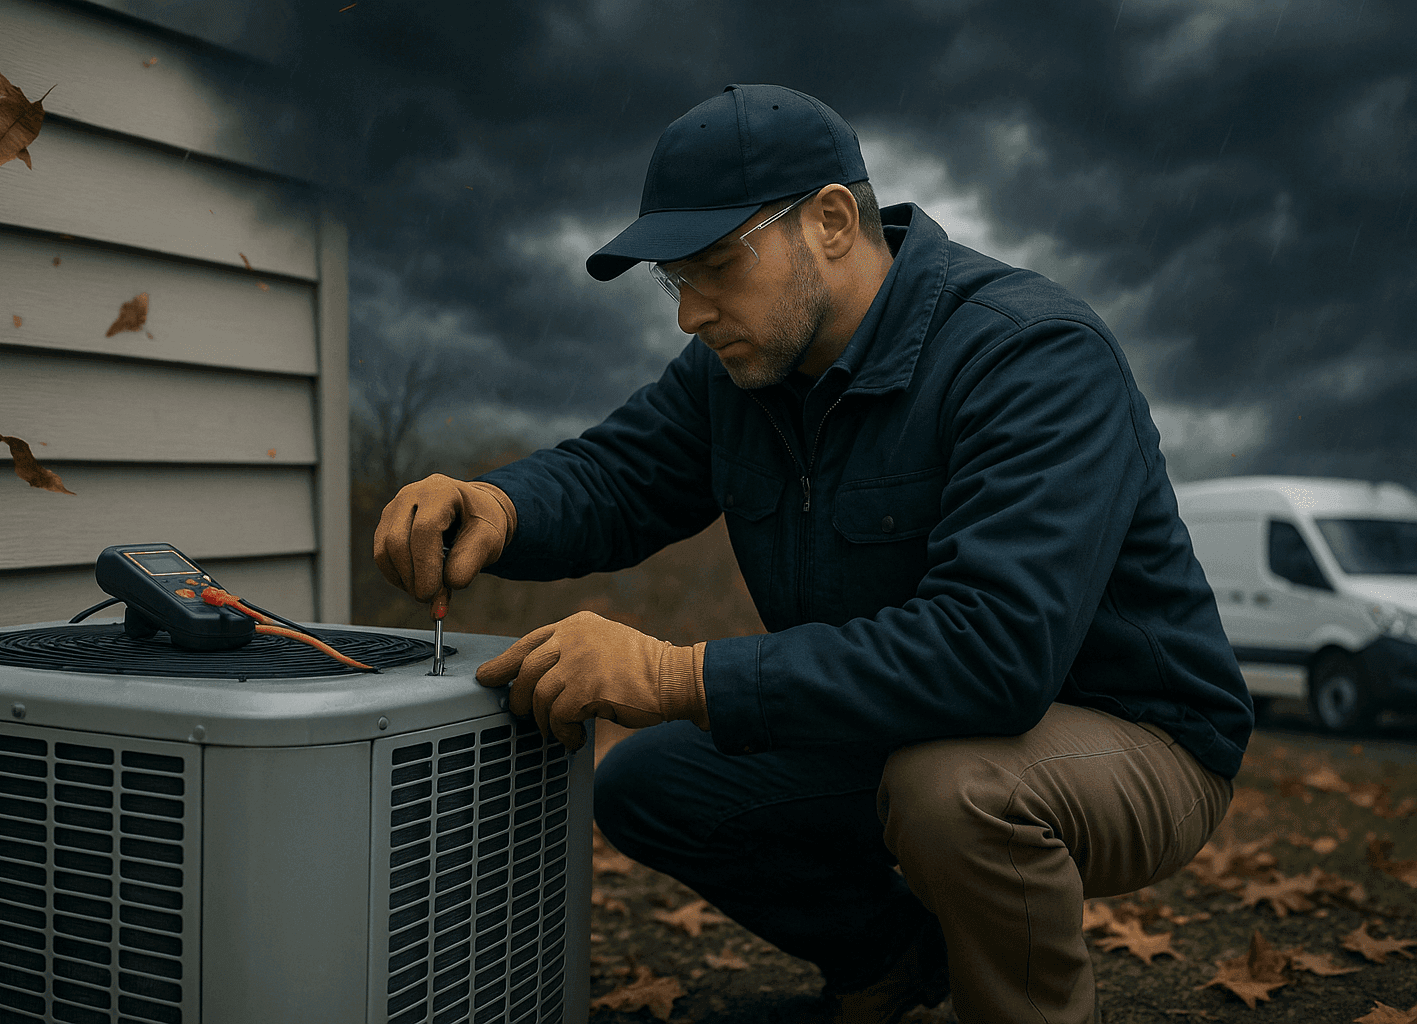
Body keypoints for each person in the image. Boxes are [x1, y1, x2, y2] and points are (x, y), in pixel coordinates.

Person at [373, 83, 1251, 1024]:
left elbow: (995, 653)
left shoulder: (1030, 356)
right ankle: (895, 964)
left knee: (954, 789)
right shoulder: (743, 371)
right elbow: (616, 475)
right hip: (907, 718)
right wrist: (496, 506)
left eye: (714, 266)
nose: (690, 314)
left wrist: (675, 674)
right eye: (675, 279)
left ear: (832, 220)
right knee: (654, 783)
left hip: (1135, 737)